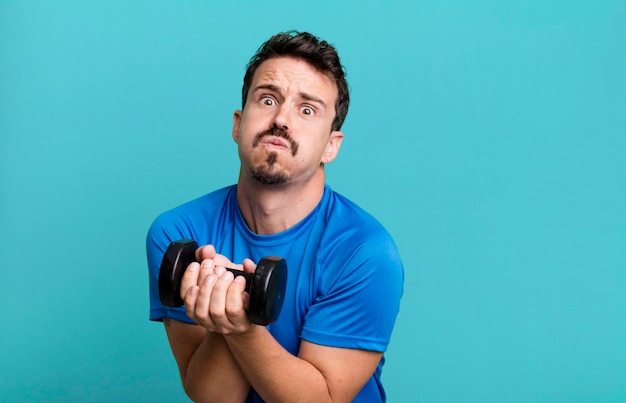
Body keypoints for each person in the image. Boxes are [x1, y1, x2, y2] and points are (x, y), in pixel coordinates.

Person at [146, 31, 404, 402]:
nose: (281, 118)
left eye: (307, 109)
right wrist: (227, 318)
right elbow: (214, 397)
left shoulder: (365, 253)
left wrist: (241, 327)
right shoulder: (177, 232)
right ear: (238, 124)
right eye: (267, 99)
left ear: (331, 145)